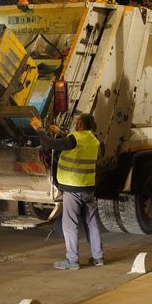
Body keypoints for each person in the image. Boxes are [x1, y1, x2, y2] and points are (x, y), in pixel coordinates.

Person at [30, 113, 104, 270]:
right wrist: (61, 132)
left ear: (81, 126)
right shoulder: (94, 140)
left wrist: (39, 129)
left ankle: (72, 261)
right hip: (89, 188)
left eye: (77, 123)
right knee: (92, 224)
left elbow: (49, 144)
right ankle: (98, 258)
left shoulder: (74, 139)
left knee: (70, 225)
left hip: (73, 189)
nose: (75, 125)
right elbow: (74, 143)